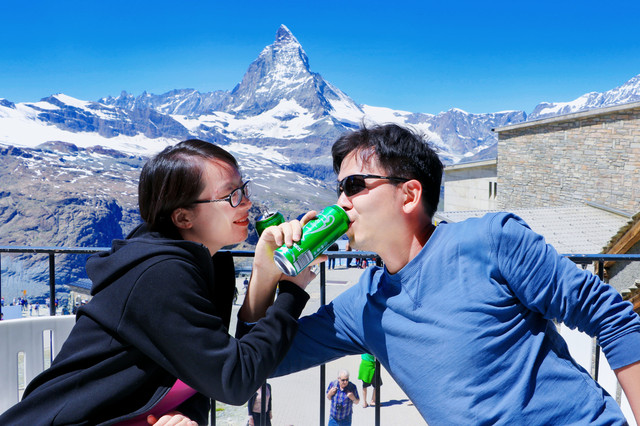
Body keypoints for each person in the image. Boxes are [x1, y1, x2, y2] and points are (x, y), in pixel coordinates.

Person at [263, 123, 640, 424]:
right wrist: (269, 272)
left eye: (354, 185)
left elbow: (612, 317)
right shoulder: (363, 304)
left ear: (409, 195)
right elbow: (256, 361)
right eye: (340, 188)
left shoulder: (491, 240)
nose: (340, 202)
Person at [0, 139, 319, 425]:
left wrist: (264, 272)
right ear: (183, 217)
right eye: (231, 195)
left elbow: (208, 372)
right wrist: (292, 291)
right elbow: (234, 380)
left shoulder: (213, 265)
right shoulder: (158, 275)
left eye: (244, 189)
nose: (247, 202)